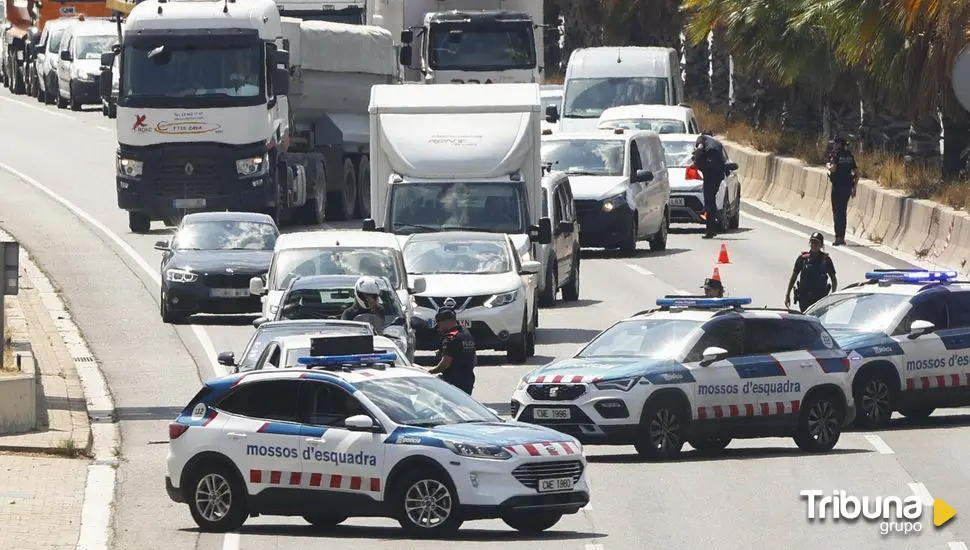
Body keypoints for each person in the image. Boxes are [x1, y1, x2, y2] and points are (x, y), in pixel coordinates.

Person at [785, 232, 838, 312]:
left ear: (821, 245)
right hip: (804, 298)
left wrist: (832, 297)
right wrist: (787, 295)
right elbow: (793, 277)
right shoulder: (802, 259)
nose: (814, 245)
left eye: (816, 243)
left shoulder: (826, 260)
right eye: (812, 242)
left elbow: (834, 280)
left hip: (820, 299)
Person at [429, 308, 476, 395]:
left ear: (445, 322)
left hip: (453, 381)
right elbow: (474, 359)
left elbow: (445, 363)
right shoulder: (466, 334)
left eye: (439, 324)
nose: (439, 328)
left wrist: (432, 371)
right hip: (468, 379)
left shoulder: (451, 338)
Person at [693, 132, 728, 239]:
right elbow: (724, 160)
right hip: (718, 174)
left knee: (709, 201)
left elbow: (699, 149)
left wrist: (695, 161)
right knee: (711, 199)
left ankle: (710, 230)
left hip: (710, 172)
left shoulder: (702, 139)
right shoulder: (717, 143)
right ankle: (713, 226)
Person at [826, 137, 858, 246]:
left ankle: (838, 237)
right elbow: (857, 173)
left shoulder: (835, 154)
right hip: (848, 187)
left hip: (838, 186)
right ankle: (842, 237)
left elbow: (833, 168)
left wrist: (828, 166)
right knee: (843, 212)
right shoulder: (849, 155)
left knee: (837, 211)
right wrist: (854, 189)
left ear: (839, 144)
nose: (833, 145)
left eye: (835, 143)